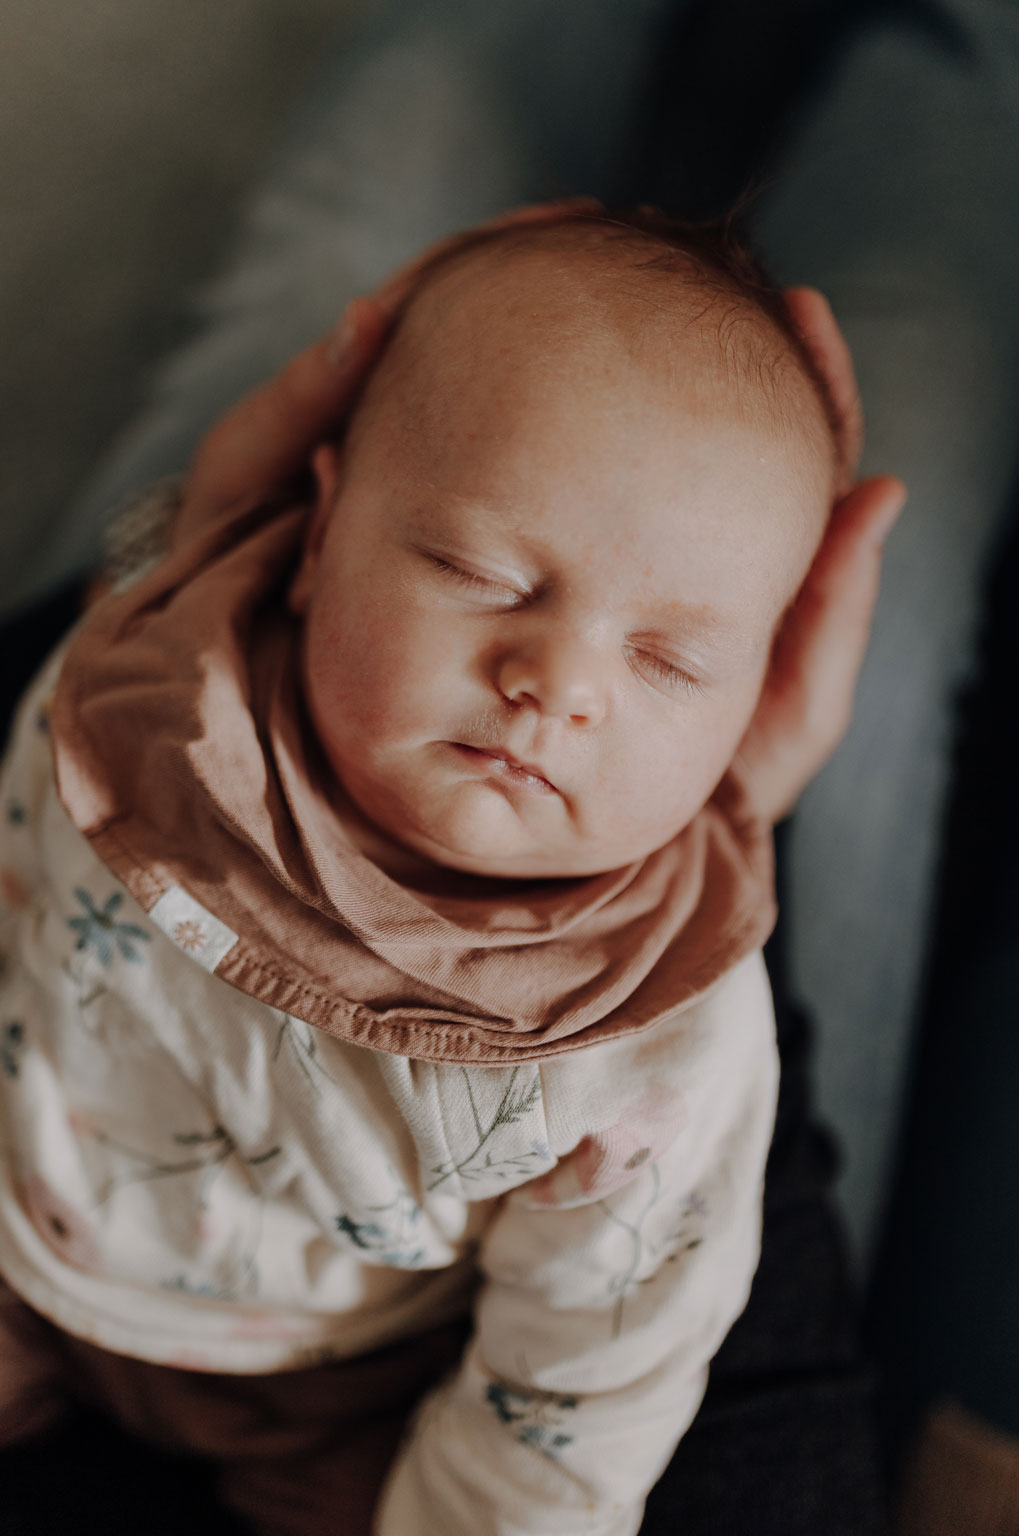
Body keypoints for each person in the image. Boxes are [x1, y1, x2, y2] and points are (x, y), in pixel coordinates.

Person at [0, 207, 902, 1536]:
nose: (559, 685)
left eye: (670, 661)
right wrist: (169, 556)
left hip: (336, 1391)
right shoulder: (156, 696)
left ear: (750, 703)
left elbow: (586, 1380)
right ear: (314, 544)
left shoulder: (655, 1036)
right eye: (483, 573)